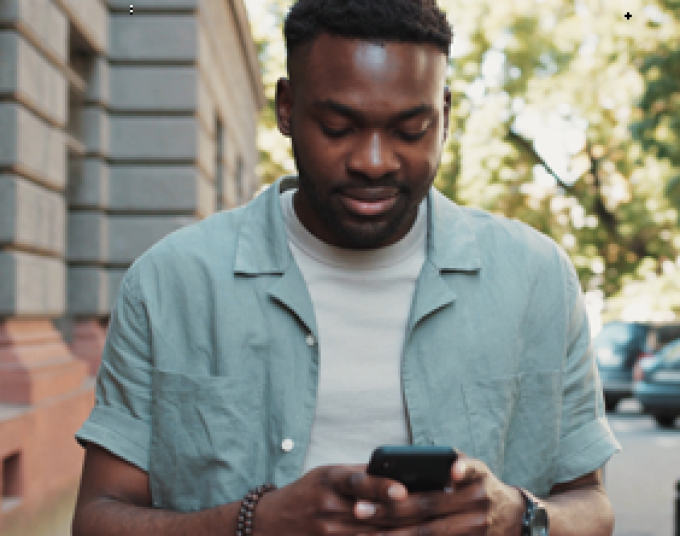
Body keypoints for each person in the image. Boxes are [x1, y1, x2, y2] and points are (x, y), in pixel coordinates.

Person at [71, 1, 622, 535]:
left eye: (410, 130)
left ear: (445, 116)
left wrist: (518, 515)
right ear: (287, 108)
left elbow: (591, 506)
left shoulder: (537, 278)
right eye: (338, 127)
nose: (373, 161)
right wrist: (253, 523)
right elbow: (97, 518)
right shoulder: (171, 283)